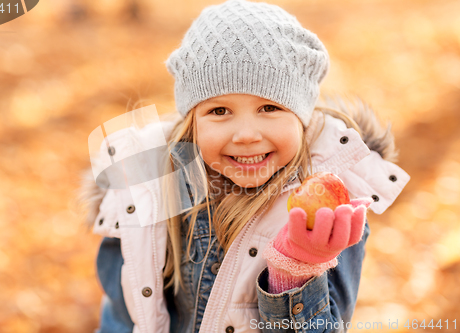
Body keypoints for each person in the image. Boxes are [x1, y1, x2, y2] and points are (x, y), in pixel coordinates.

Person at [80, 0, 410, 332]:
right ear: (193, 122)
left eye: (269, 107)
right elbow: (124, 315)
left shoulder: (332, 206)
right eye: (220, 111)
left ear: (302, 117)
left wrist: (295, 270)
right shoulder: (148, 188)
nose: (247, 135)